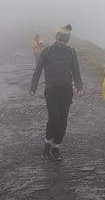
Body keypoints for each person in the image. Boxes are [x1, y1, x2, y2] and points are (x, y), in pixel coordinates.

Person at [30, 24, 84, 160]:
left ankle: (56, 146)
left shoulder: (71, 52)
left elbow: (76, 71)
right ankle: (47, 144)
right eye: (60, 40)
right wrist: (33, 88)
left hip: (66, 90)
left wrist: (79, 87)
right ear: (56, 38)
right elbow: (38, 71)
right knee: (54, 118)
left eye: (65, 41)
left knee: (63, 121)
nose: (62, 43)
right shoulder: (47, 51)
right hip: (51, 89)